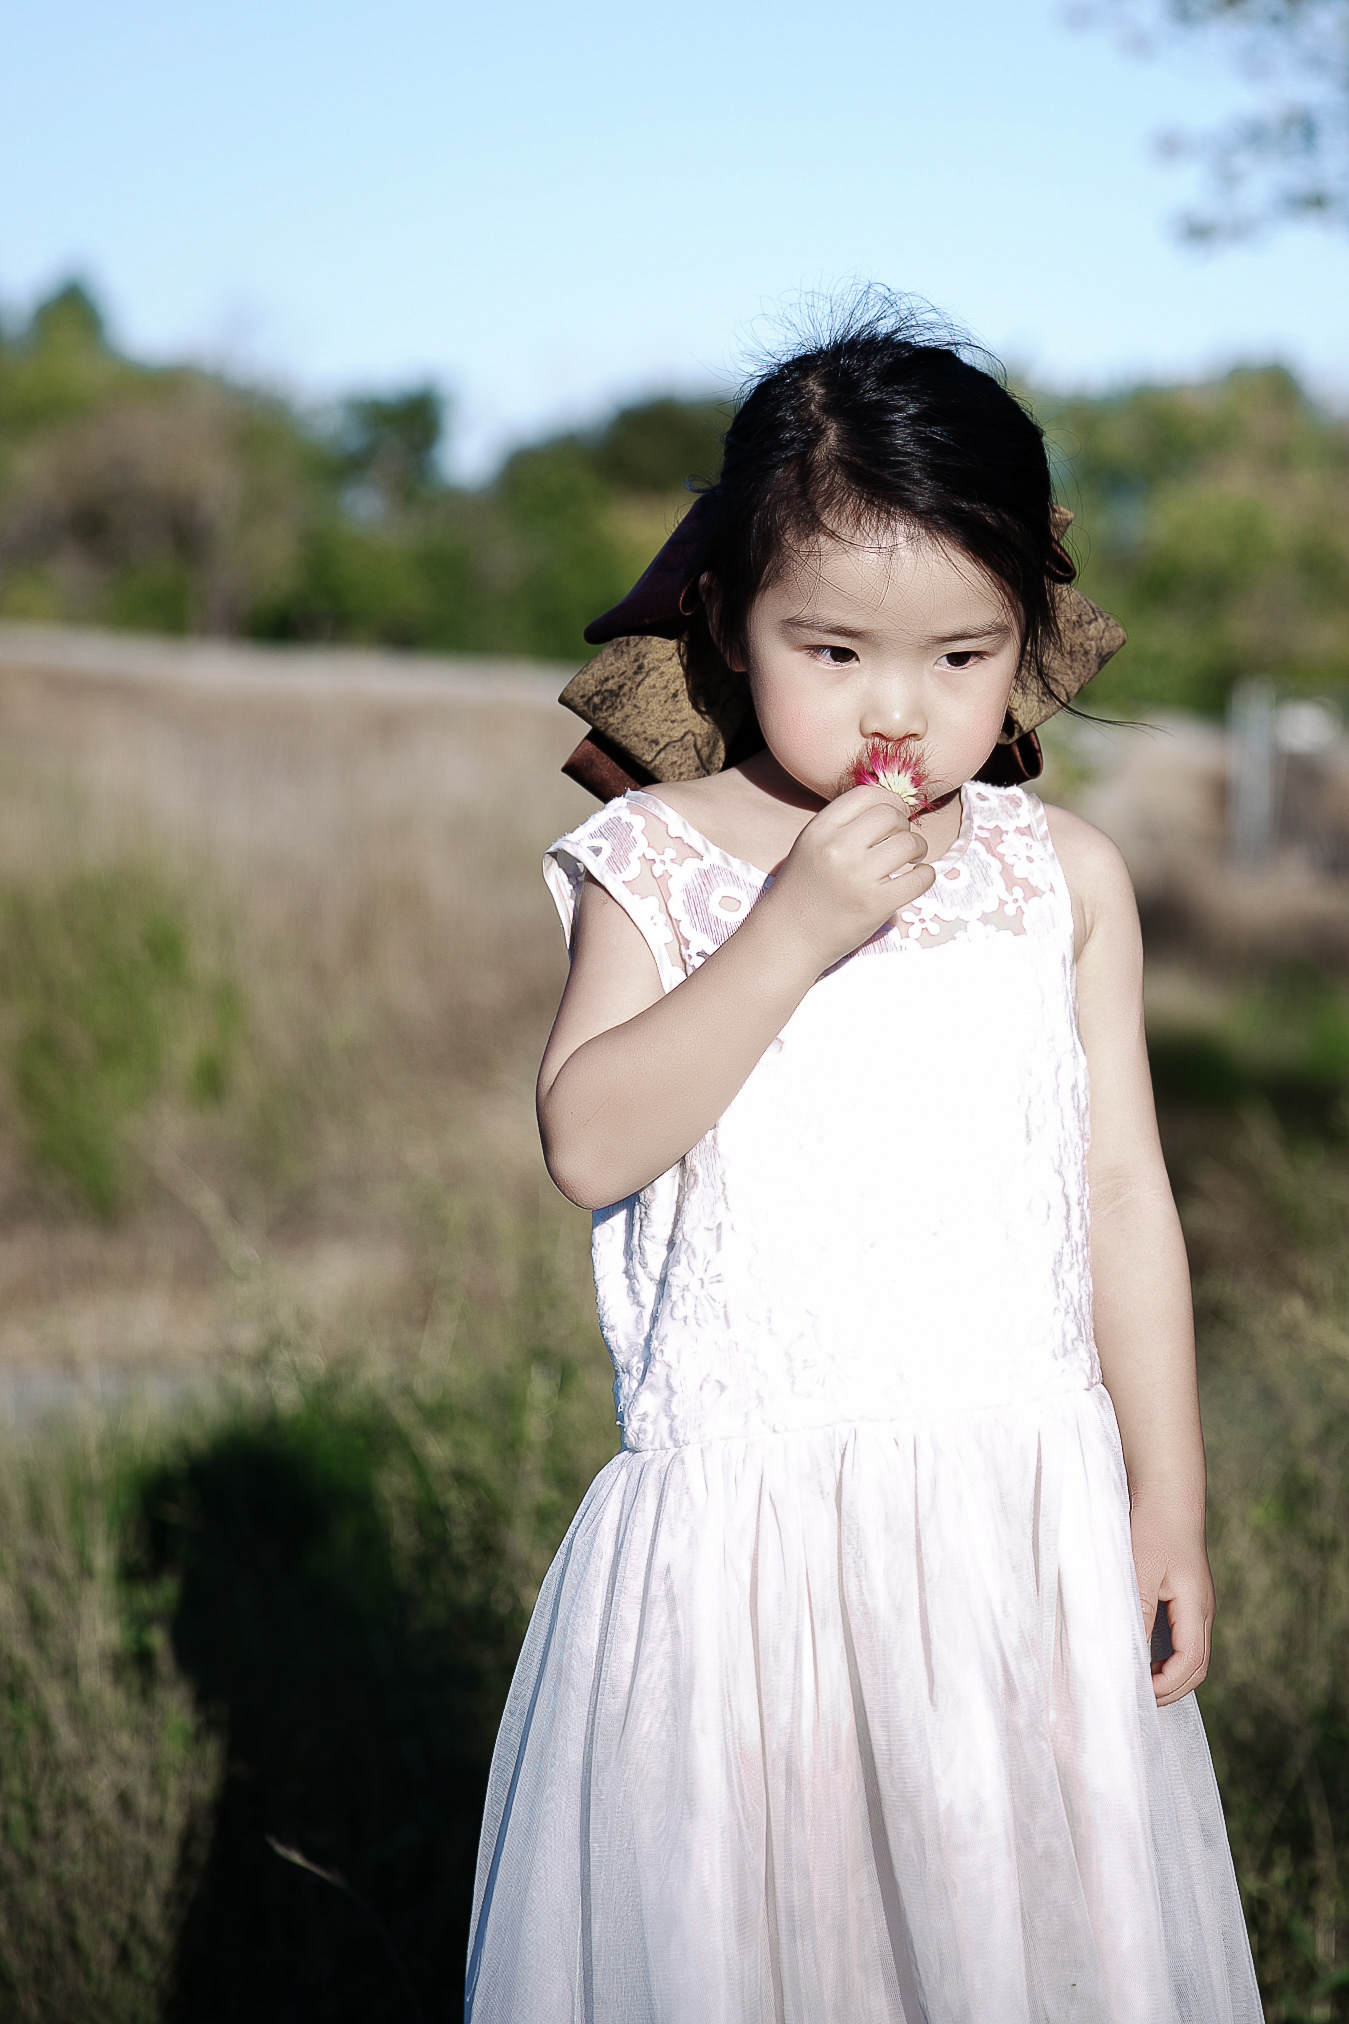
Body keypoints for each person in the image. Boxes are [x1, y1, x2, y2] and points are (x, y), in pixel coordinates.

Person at [465, 303, 1262, 2024]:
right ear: (726, 623)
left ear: (1027, 640)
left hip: (1016, 1537)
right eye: (830, 651)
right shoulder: (659, 858)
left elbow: (1121, 1201)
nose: (898, 708)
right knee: (773, 1948)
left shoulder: (1059, 875)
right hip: (750, 1571)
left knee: (1011, 1947)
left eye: (960, 658)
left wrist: (1167, 1504)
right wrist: (787, 932)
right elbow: (587, 1141)